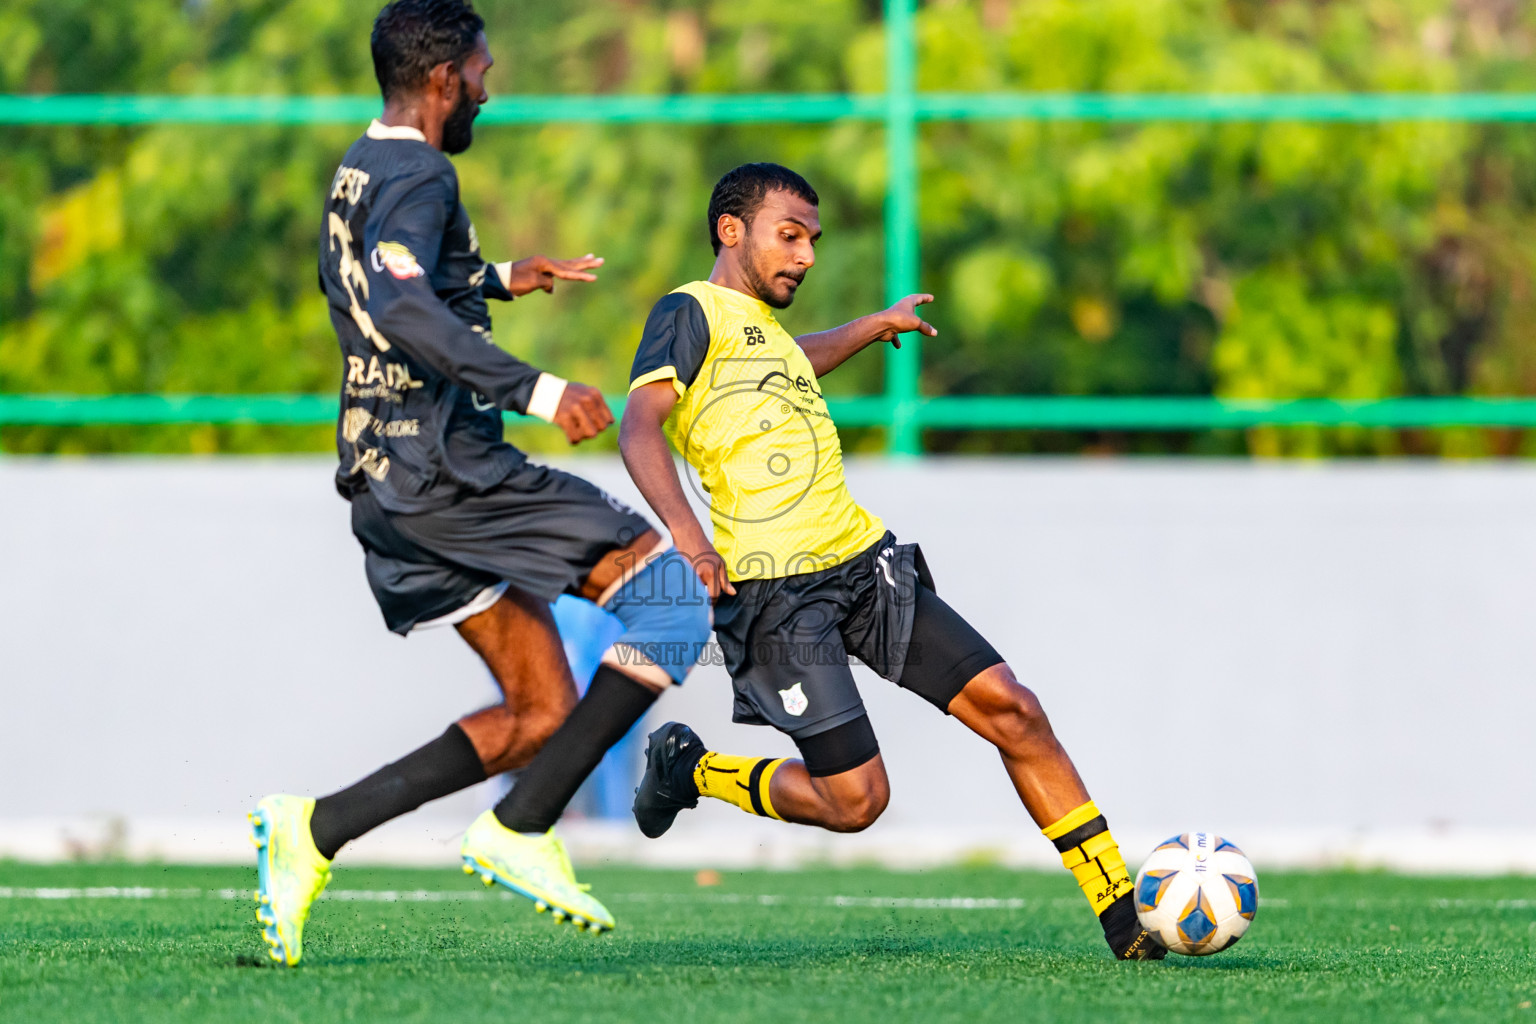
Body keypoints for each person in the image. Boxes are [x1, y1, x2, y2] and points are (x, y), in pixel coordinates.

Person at [249, 0, 709, 965]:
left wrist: (499, 276)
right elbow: (406, 311)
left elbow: (382, 281)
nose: (490, 89)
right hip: (448, 471)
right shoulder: (423, 168)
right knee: (671, 603)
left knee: (539, 711)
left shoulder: (362, 165)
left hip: (382, 481)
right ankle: (523, 828)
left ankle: (315, 830)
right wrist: (538, 389)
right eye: (484, 71)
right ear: (445, 79)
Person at [619, 162, 1166, 961]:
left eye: (812, 239)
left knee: (1015, 708)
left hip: (865, 567)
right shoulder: (687, 311)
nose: (806, 255)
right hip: (777, 597)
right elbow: (640, 427)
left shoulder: (762, 331)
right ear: (730, 230)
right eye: (790, 235)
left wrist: (874, 326)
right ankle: (693, 771)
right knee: (856, 801)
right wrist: (690, 541)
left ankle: (1125, 919)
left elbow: (793, 357)